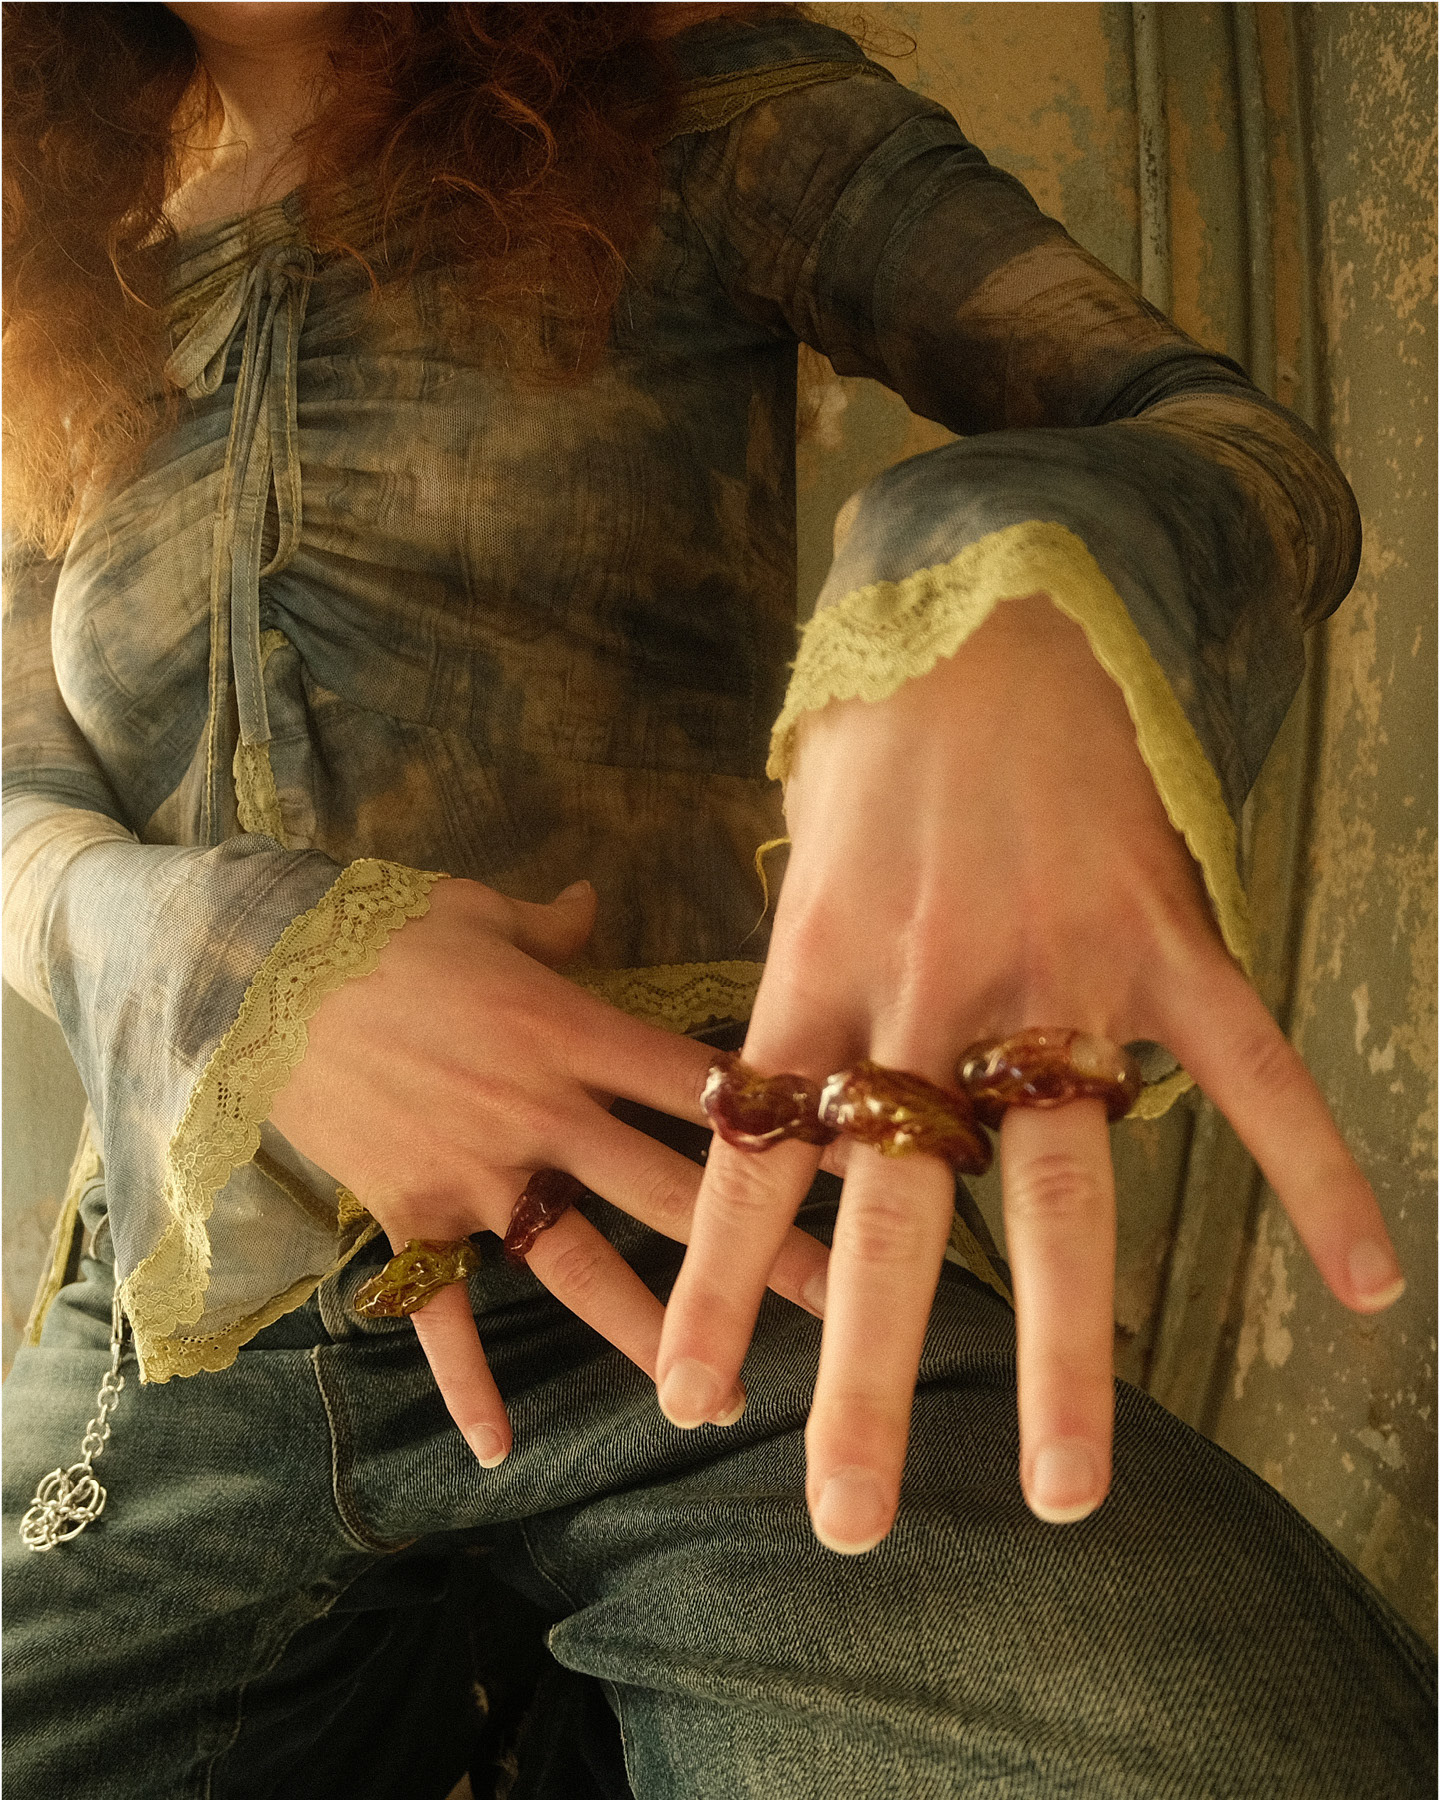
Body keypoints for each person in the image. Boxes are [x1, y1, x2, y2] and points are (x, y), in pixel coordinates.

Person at [2, 4, 1433, 1796]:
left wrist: (1006, 592)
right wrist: (214, 955)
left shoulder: (702, 102)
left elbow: (1219, 438)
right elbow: (23, 803)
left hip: (713, 1241)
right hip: (176, 1322)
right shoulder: (67, 294)